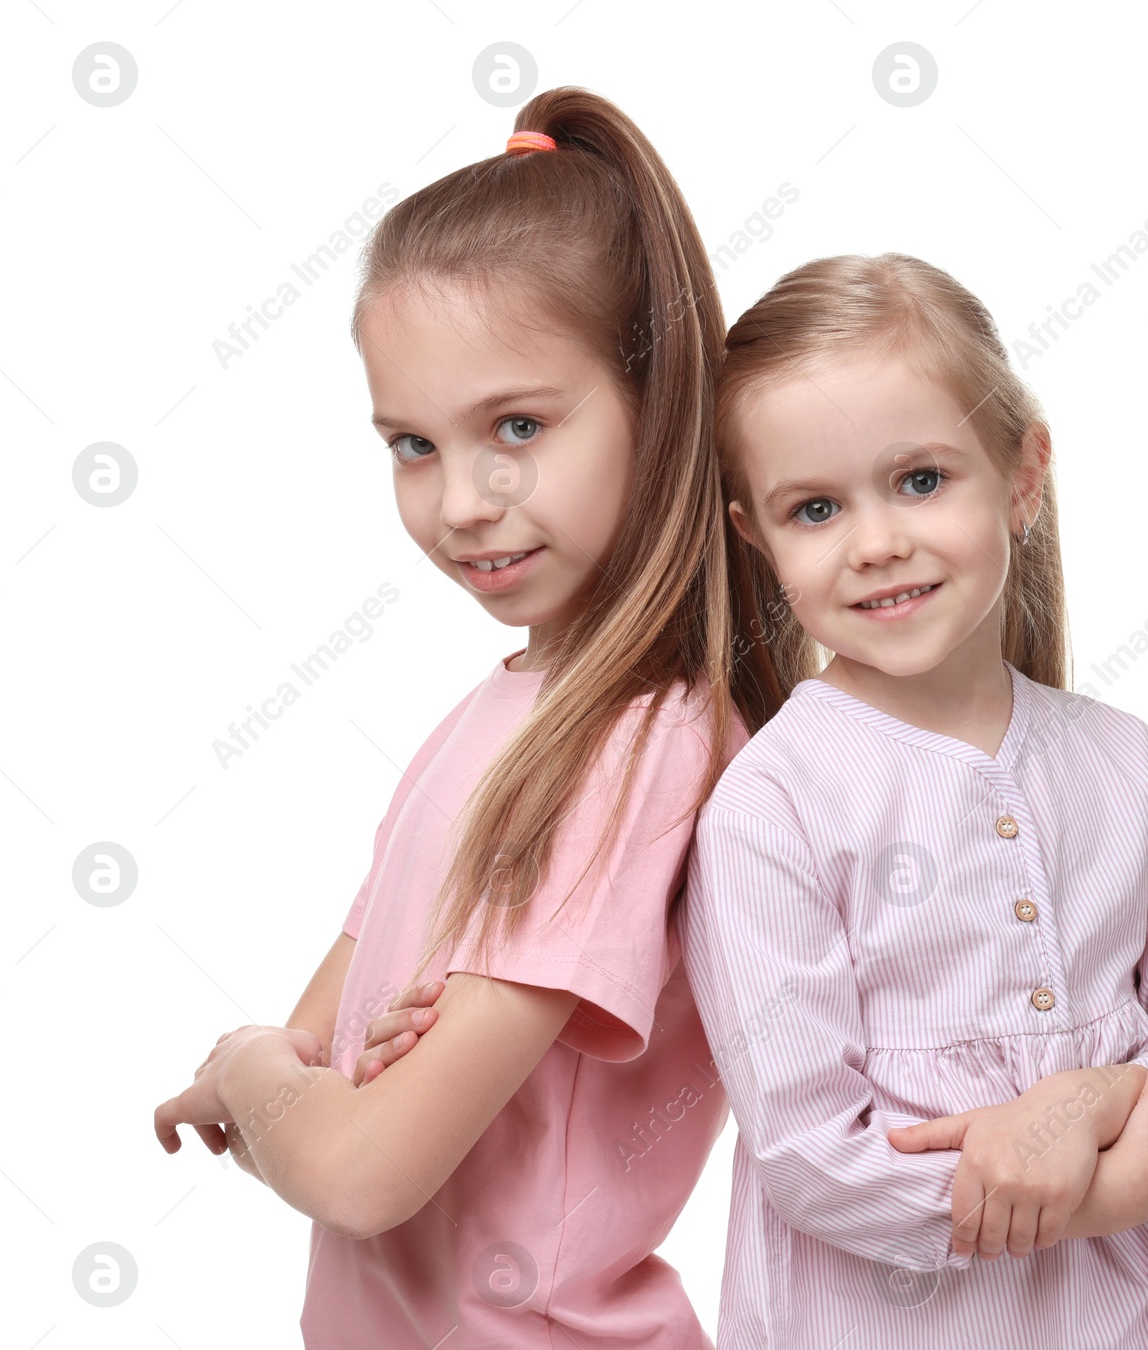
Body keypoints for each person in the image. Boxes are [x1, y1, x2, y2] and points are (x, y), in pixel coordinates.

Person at [151, 88, 777, 1349]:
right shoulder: (503, 717)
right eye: (411, 445)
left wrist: (248, 1071)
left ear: (660, 407)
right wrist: (293, 1075)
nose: (462, 503)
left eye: (518, 427)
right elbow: (326, 1038)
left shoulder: (631, 742)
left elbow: (361, 1165)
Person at [676, 252, 1148, 1348]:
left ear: (1022, 474)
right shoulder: (771, 806)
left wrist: (1090, 1102)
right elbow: (811, 1153)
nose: (876, 542)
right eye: (815, 507)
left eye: (919, 479)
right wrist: (1105, 1194)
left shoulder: (1123, 764)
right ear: (757, 538)